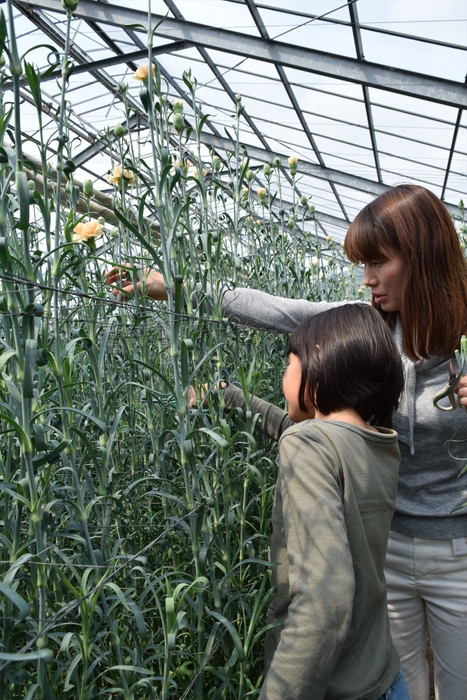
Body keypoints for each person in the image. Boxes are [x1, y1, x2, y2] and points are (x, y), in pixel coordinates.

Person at [106, 184, 467, 700]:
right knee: (398, 676)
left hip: (458, 552)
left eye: (377, 262)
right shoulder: (368, 326)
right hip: (384, 546)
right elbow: (273, 309)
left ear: (423, 257)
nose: (366, 280)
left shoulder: (464, 343)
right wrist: (167, 286)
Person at [255, 304, 408, 699]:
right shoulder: (376, 442)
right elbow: (304, 428)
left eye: (289, 363)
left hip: (337, 688)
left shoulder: (308, 445)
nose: (282, 376)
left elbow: (324, 604)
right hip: (385, 676)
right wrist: (233, 398)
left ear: (318, 361)